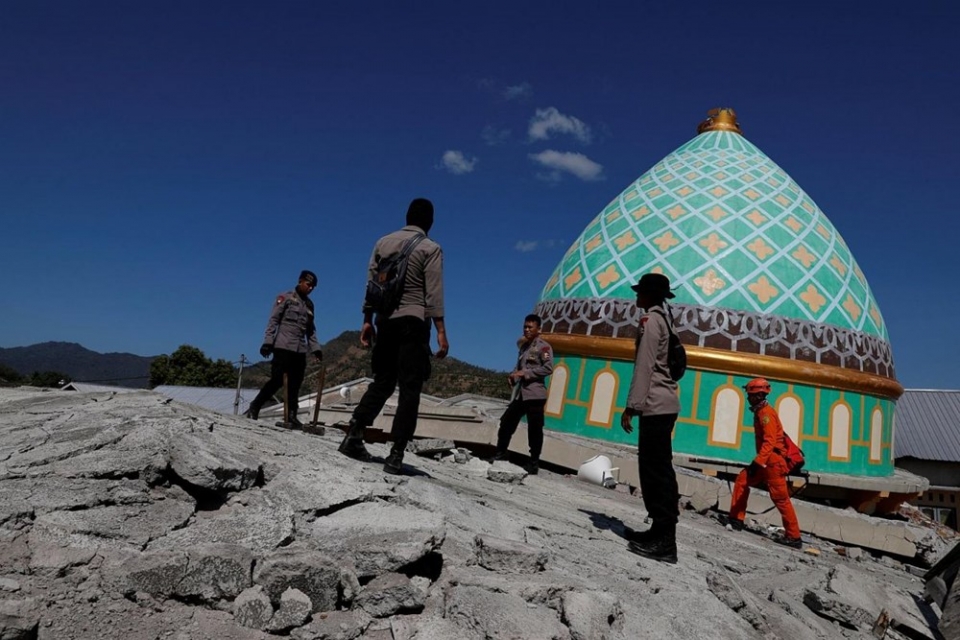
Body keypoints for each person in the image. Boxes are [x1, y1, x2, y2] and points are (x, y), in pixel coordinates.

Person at [338, 198, 449, 474]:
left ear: (407, 216)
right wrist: (441, 332)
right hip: (414, 322)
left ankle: (354, 433)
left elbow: (371, 285)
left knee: (383, 381)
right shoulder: (430, 248)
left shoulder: (383, 242)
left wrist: (367, 321)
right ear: (430, 221)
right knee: (409, 388)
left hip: (385, 322)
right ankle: (396, 453)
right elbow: (433, 292)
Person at [620, 272, 681, 564]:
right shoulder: (665, 319)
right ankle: (658, 530)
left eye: (640, 292)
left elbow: (644, 366)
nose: (636, 296)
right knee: (659, 468)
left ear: (650, 295)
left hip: (655, 404)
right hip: (664, 403)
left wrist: (632, 405)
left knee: (655, 471)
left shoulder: (650, 321)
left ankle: (665, 541)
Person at [728, 378, 802, 548]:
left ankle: (794, 536)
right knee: (742, 480)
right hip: (767, 461)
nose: (748, 398)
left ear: (759, 395)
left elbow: (769, 442)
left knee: (780, 498)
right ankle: (735, 519)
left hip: (773, 462)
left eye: (751, 395)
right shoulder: (761, 412)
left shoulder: (766, 414)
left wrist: (758, 462)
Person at [245, 270, 324, 426]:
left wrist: (315, 348)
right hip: (283, 345)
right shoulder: (286, 298)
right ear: (300, 281)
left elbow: (310, 329)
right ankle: (255, 406)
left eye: (313, 287)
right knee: (277, 380)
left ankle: (291, 415)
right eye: (308, 285)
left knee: (296, 383)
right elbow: (273, 320)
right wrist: (268, 342)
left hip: (299, 349)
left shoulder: (309, 305)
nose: (310, 289)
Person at [489, 314, 553, 475]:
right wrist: (513, 375)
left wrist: (525, 374)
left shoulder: (544, 347)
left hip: (535, 394)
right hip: (521, 394)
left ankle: (533, 462)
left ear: (538, 329)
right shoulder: (524, 348)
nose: (526, 330)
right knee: (506, 422)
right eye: (525, 326)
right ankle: (501, 453)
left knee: (535, 429)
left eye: (530, 327)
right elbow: (519, 367)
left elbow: (548, 368)